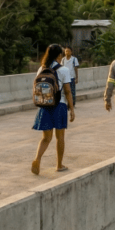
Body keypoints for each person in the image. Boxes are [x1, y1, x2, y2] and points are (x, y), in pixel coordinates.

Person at [31, 44, 75, 175]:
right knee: (60, 137)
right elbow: (67, 91)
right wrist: (72, 109)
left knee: (46, 138)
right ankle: (59, 165)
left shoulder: (41, 69)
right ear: (59, 55)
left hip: (45, 105)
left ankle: (37, 159)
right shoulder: (64, 70)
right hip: (59, 105)